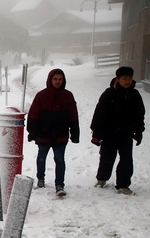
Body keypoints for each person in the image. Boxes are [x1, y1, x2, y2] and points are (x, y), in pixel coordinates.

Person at [90, 66, 145, 195]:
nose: (127, 82)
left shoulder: (135, 95)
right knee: (107, 157)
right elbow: (99, 114)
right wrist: (97, 133)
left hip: (126, 134)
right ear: (118, 79)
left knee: (126, 159)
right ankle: (102, 178)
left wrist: (139, 131)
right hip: (109, 133)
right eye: (124, 79)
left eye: (129, 79)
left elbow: (139, 115)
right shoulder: (109, 94)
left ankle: (123, 184)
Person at [26, 68, 80, 196]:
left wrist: (75, 133)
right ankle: (40, 179)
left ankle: (60, 185)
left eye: (60, 79)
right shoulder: (41, 95)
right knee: (41, 158)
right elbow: (33, 115)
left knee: (60, 159)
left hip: (61, 134)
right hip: (43, 134)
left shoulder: (68, 96)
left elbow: (73, 116)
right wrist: (32, 132)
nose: (57, 82)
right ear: (50, 80)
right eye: (55, 79)